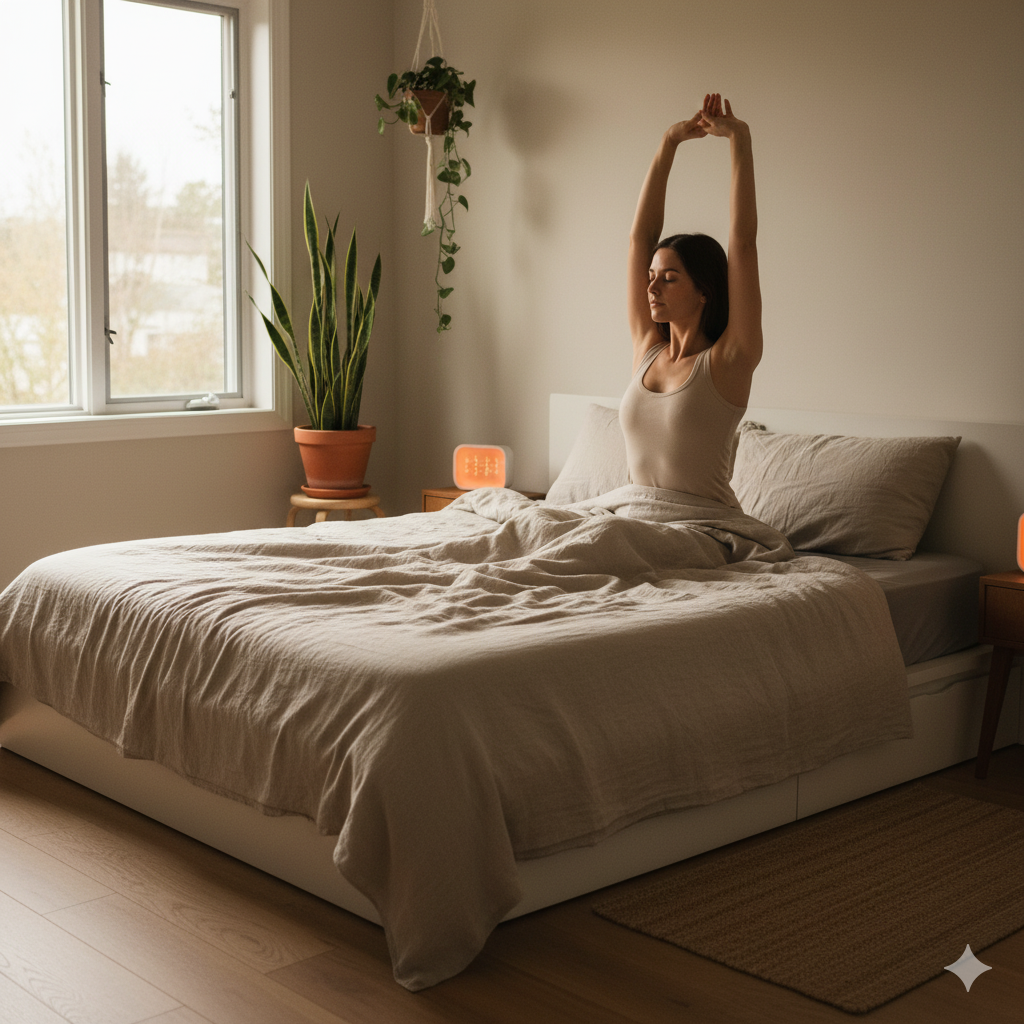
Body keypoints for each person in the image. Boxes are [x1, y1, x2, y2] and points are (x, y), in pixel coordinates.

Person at [618, 93, 760, 509]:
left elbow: (744, 244)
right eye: (650, 277)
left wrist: (740, 141)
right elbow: (638, 239)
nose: (652, 288)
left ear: (704, 290)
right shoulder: (648, 348)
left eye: (669, 278)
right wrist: (668, 143)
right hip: (631, 514)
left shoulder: (729, 360)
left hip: (700, 527)